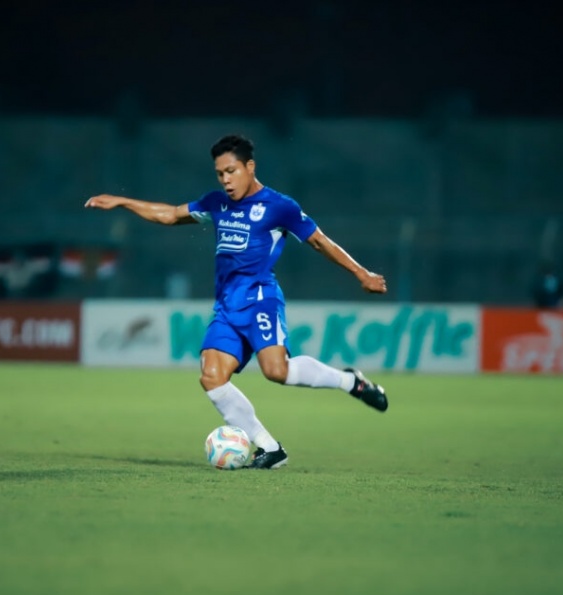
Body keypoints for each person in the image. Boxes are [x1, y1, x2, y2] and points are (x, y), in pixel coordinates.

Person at [85, 134, 389, 469]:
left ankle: (350, 382)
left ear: (250, 167)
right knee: (212, 376)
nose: (226, 180)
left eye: (231, 171)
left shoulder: (279, 206)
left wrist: (361, 274)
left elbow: (320, 242)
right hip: (226, 306)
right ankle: (270, 448)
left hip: (260, 299)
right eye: (220, 174)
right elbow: (170, 215)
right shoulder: (217, 203)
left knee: (277, 371)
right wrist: (123, 202)